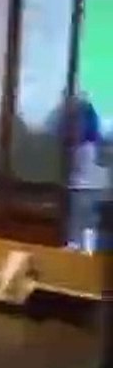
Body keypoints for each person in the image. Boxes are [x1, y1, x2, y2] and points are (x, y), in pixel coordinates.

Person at [68, 91, 107, 251]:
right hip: (100, 189)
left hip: (81, 189)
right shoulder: (100, 144)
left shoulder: (80, 146)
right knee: (92, 229)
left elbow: (73, 168)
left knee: (76, 232)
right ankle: (89, 256)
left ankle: (79, 258)